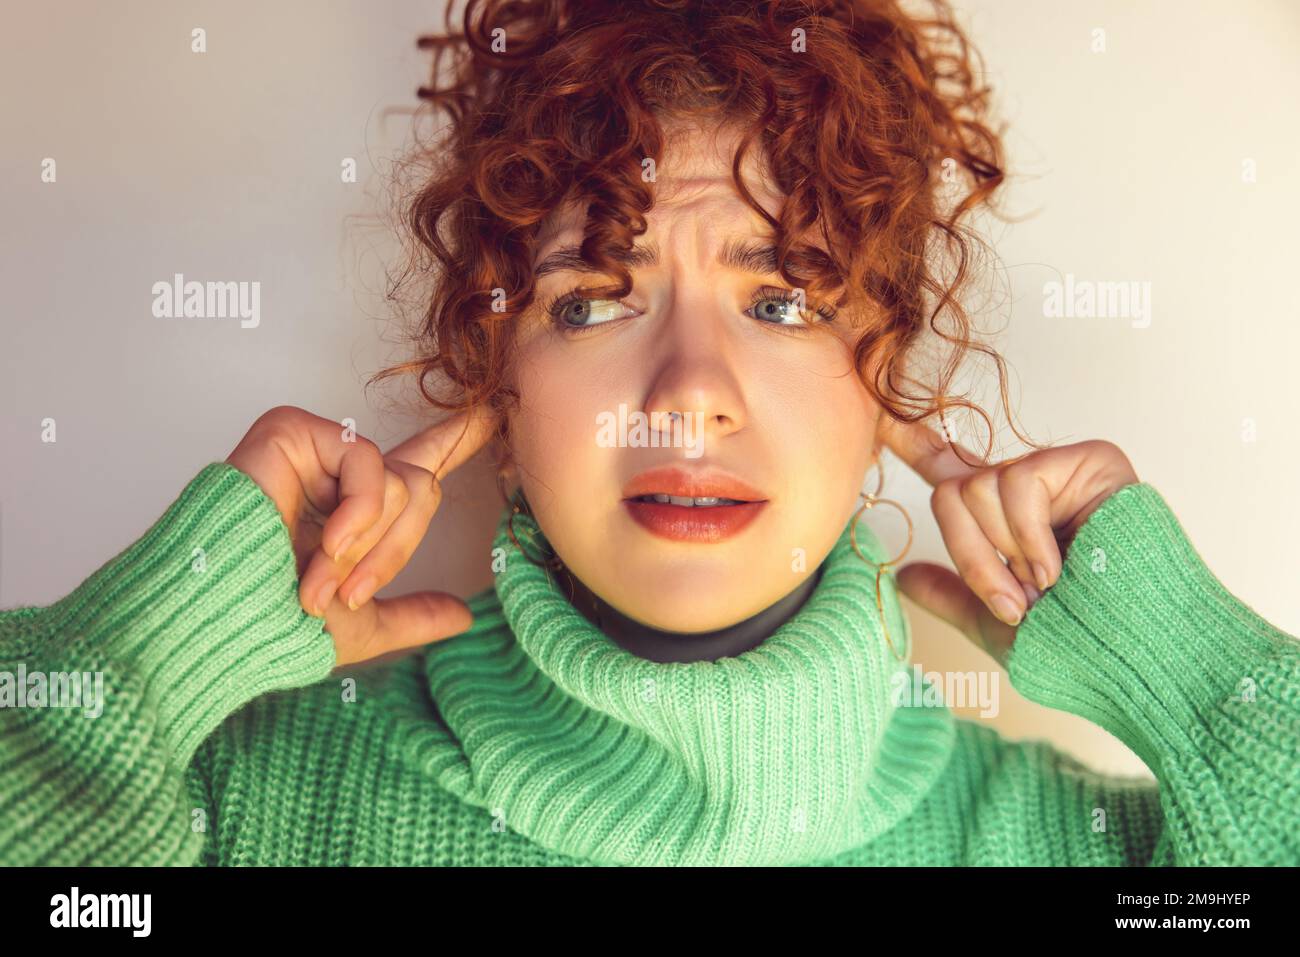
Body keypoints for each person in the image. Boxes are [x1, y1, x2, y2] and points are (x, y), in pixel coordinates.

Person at [2, 0, 1296, 866]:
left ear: (885, 380)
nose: (686, 392)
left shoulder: (1065, 848)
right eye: (595, 299)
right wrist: (146, 653)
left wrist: (1186, 670)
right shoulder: (235, 808)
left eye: (782, 299)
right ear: (498, 391)